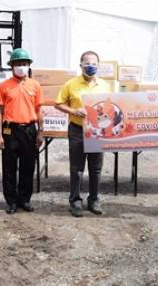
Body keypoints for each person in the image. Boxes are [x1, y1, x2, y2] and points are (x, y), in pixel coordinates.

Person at [56, 51, 110, 217]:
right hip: (77, 130)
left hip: (97, 132)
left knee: (96, 168)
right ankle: (75, 201)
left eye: (94, 63)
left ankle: (94, 200)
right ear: (80, 65)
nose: (90, 66)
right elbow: (58, 104)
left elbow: (110, 107)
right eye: (87, 63)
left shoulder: (104, 85)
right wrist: (73, 111)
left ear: (98, 65)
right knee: (76, 168)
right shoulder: (71, 84)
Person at [0, 49, 43, 214]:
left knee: (28, 166)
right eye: (18, 64)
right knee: (9, 167)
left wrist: (40, 132)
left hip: (29, 129)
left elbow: (39, 110)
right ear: (12, 66)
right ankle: (11, 201)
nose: (21, 67)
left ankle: (24, 199)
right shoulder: (4, 86)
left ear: (29, 65)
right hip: (10, 130)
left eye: (24, 64)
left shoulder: (35, 85)